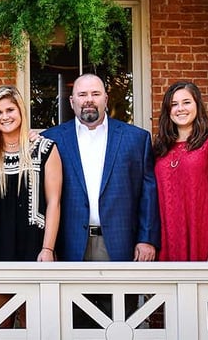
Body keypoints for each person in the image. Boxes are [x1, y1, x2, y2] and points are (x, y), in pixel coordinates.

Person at [0, 85, 62, 329]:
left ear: (21, 111)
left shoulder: (45, 149)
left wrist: (48, 249)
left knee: (36, 322)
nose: (5, 116)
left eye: (10, 109)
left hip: (33, 245)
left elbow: (54, 203)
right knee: (0, 322)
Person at [42, 73, 160, 262]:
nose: (89, 100)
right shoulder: (51, 139)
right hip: (68, 244)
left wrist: (146, 239)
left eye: (95, 94)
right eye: (82, 94)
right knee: (72, 293)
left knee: (121, 292)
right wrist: (47, 246)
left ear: (106, 99)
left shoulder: (136, 139)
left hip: (122, 243)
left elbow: (148, 194)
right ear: (72, 101)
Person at [152, 81, 208, 262]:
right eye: (174, 104)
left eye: (186, 102)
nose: (180, 109)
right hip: (167, 242)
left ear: (197, 104)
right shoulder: (160, 149)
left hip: (205, 239)